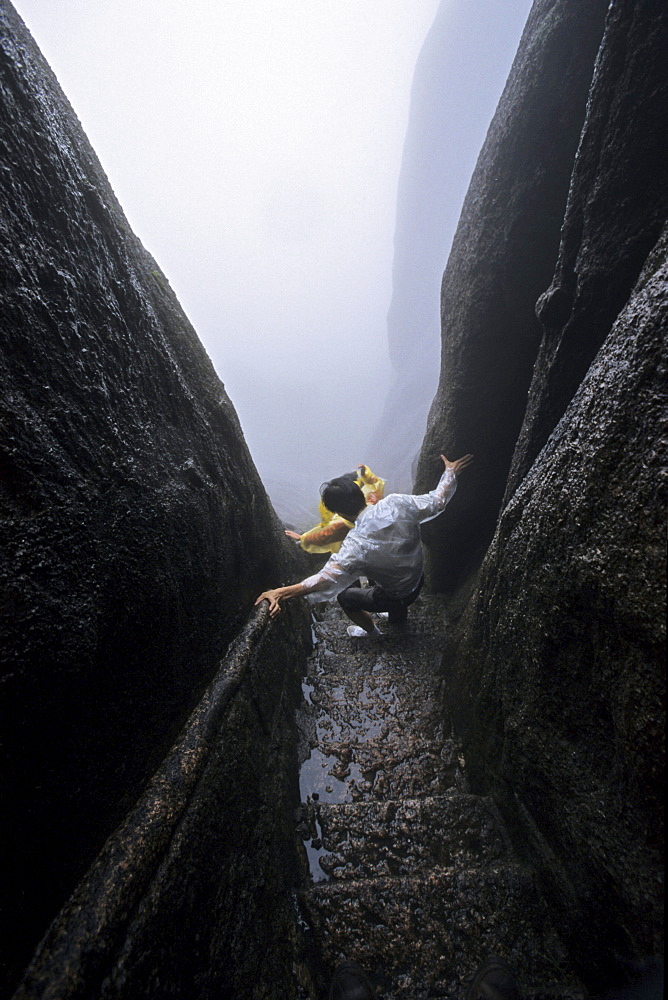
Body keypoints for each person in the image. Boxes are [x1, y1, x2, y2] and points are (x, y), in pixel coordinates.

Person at [255, 453, 473, 636]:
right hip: (418, 581)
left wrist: (280, 593)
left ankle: (374, 634)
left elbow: (323, 580)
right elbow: (438, 501)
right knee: (383, 576)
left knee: (345, 596)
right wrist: (450, 472)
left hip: (396, 595)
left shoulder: (355, 545)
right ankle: (396, 619)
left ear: (338, 512)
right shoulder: (397, 503)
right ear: (361, 494)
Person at [285, 464, 385, 554]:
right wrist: (366, 475)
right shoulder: (375, 502)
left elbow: (323, 537)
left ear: (337, 511)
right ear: (360, 495)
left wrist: (302, 538)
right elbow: (375, 485)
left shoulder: (343, 527)